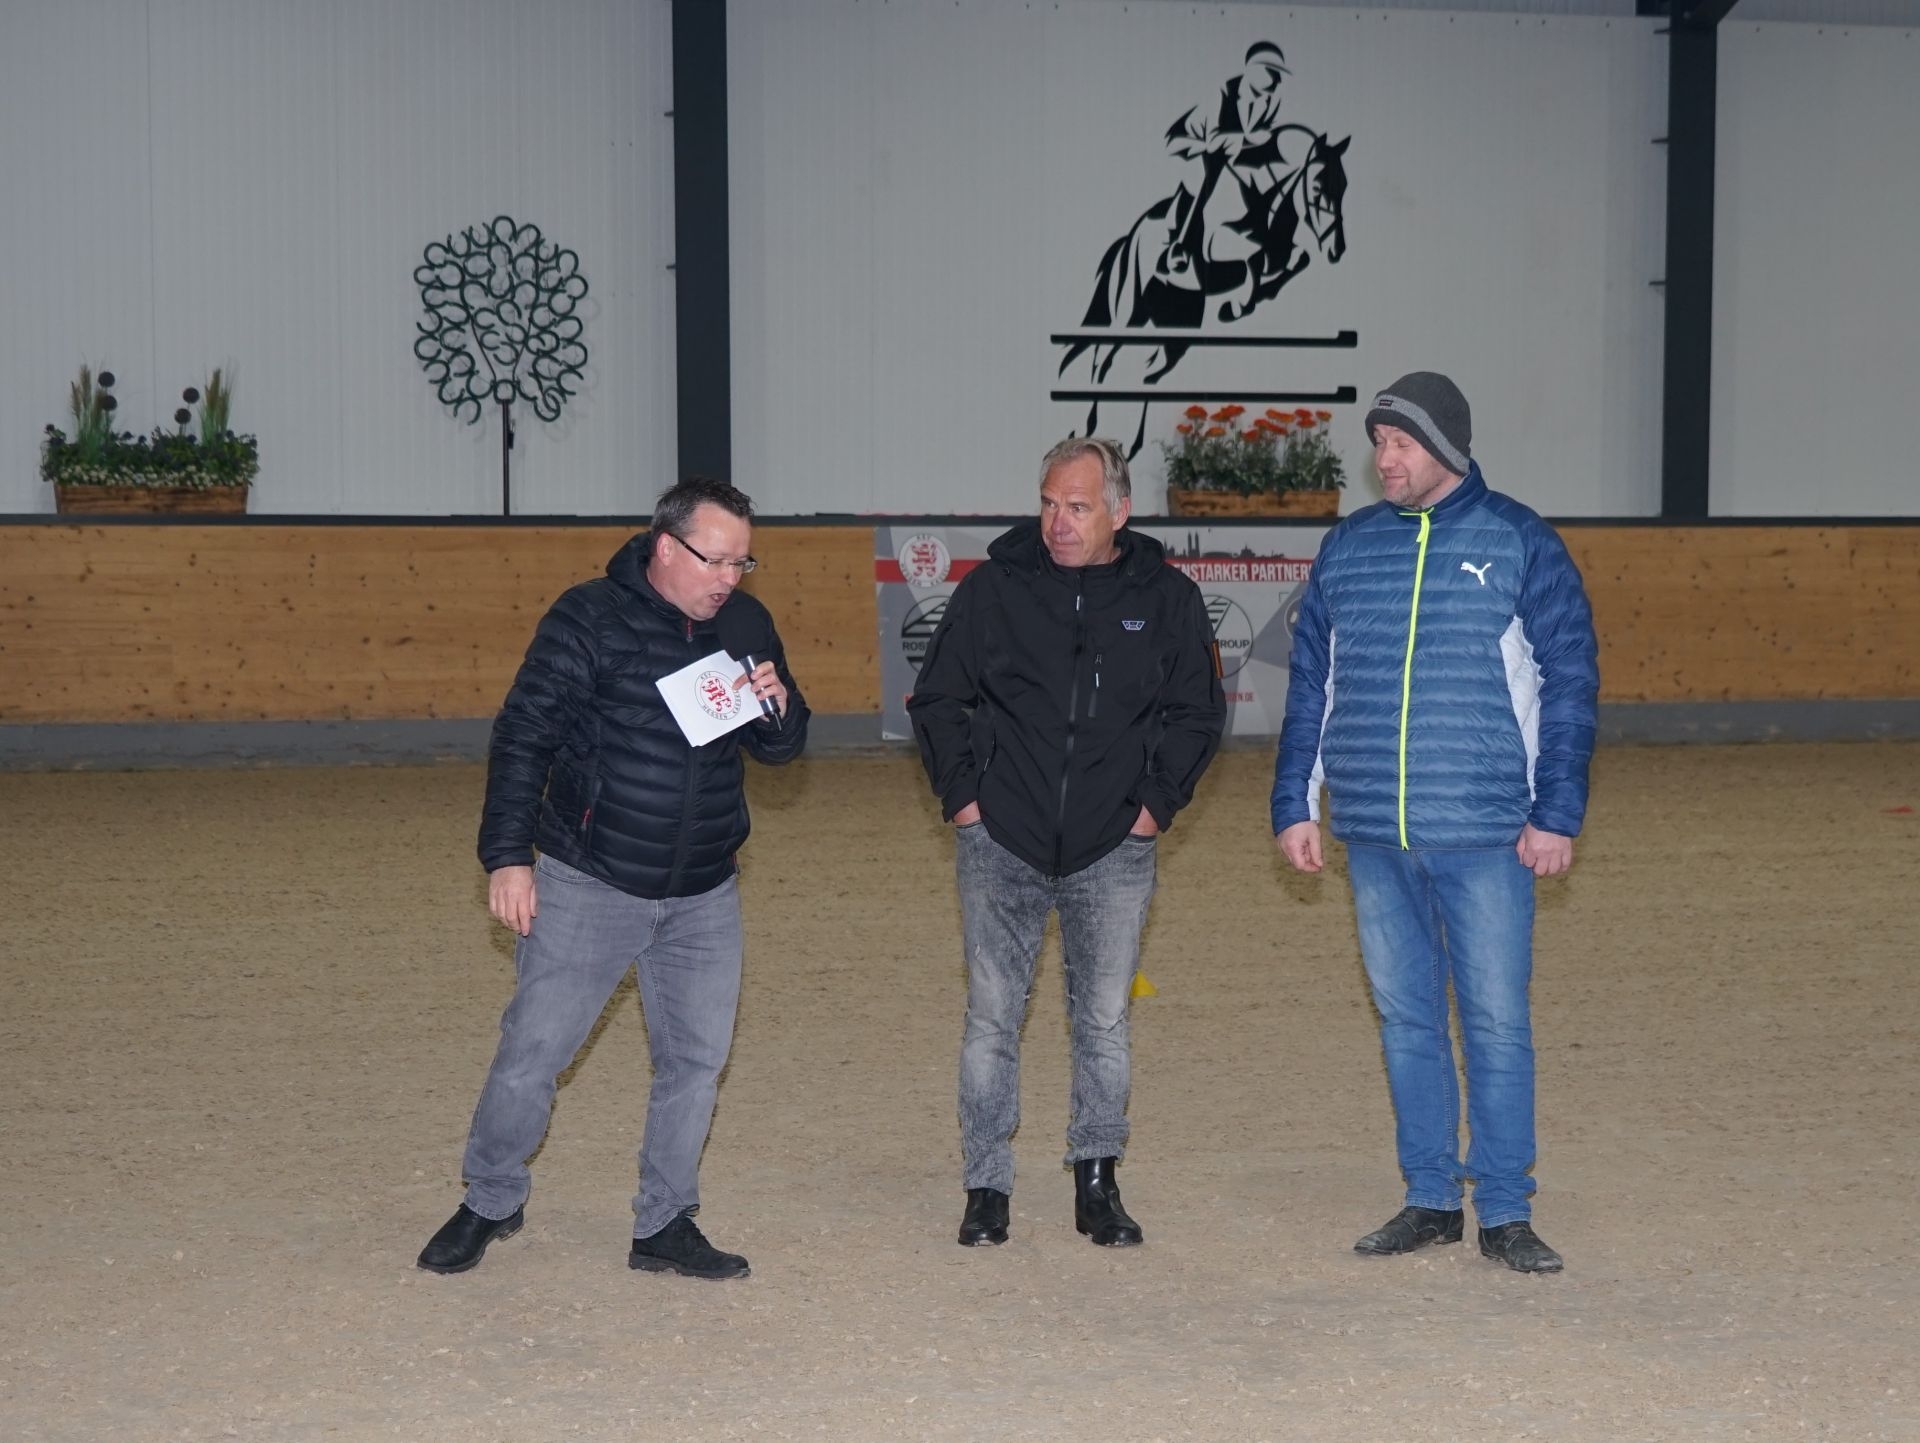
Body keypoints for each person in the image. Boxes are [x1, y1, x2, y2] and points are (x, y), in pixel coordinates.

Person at [417, 476, 808, 1280]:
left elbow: (778, 748)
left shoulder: (744, 623)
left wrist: (780, 709)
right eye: (715, 560)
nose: (729, 578)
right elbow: (523, 734)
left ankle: (665, 1221)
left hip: (705, 889)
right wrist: (508, 855)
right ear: (665, 546)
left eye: (742, 562)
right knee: (533, 1052)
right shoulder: (588, 617)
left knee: (695, 1063)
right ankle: (490, 1197)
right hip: (590, 879)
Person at [1270, 372, 1598, 1274]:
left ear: (1446, 447)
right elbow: (1313, 683)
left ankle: (1505, 1209)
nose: (1384, 459)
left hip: (1489, 834)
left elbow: (1570, 681)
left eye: (1402, 443)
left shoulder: (1519, 541)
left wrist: (1555, 812)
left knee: (1495, 1023)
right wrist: (1296, 800)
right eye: (1379, 442)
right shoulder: (1349, 547)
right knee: (1407, 1019)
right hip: (1376, 834)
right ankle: (1428, 1197)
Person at [908, 437, 1225, 1249]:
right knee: (990, 1019)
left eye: (1078, 507)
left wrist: (1153, 806)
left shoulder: (1167, 599)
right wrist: (965, 800)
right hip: (1000, 842)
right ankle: (986, 1184)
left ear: (1120, 511)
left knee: (1104, 1021)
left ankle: (1097, 1180)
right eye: (1049, 503)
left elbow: (1197, 712)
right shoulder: (993, 591)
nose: (1058, 522)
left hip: (1113, 849)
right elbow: (938, 697)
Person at [1165, 40, 1290, 276]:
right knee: (1206, 174)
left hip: (1231, 147)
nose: (1278, 81)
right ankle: (1180, 244)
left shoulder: (1270, 100)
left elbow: (1262, 135)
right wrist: (1249, 139)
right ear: (1253, 70)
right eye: (1272, 73)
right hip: (1192, 143)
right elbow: (1214, 141)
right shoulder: (1221, 94)